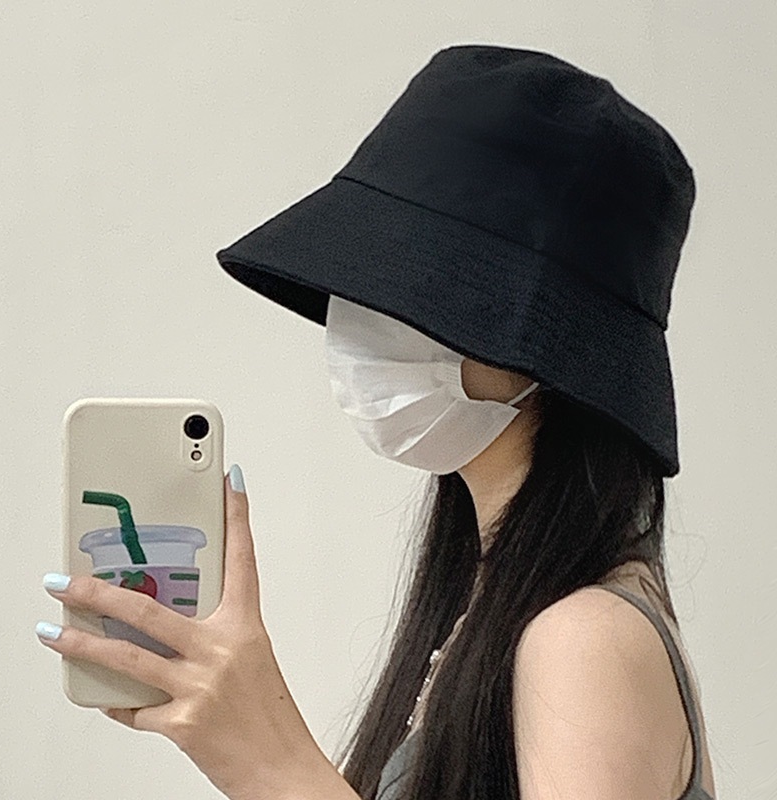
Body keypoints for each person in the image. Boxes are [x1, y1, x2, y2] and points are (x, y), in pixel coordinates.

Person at [216, 45, 716, 800]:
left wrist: (267, 758)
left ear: (548, 344)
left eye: (412, 289)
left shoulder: (585, 639)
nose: (357, 322)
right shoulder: (492, 609)